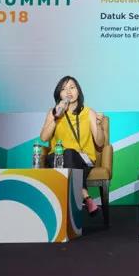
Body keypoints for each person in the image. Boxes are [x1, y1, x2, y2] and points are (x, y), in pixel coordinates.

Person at [39, 76, 105, 215]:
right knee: (67, 153)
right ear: (59, 94)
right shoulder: (53, 112)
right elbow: (44, 138)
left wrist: (99, 125)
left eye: (72, 87)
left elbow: (100, 143)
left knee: (69, 153)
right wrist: (57, 116)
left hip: (84, 159)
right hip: (57, 158)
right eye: (64, 89)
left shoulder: (89, 112)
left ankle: (79, 202)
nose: (68, 91)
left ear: (78, 91)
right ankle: (85, 196)